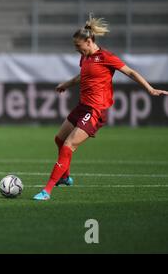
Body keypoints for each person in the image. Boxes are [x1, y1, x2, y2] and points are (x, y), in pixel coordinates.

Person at [33, 16, 168, 201]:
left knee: (68, 146)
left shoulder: (106, 57)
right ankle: (65, 177)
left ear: (89, 41)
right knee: (59, 139)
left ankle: (47, 190)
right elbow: (82, 77)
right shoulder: (85, 58)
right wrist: (65, 84)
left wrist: (150, 89)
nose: (77, 49)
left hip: (95, 110)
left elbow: (130, 72)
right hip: (83, 106)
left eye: (78, 46)